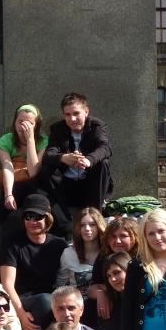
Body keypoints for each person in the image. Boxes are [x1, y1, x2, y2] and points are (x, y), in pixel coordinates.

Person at [0, 103, 48, 245]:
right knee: (14, 192)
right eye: (20, 121)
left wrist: (30, 139)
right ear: (14, 122)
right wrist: (8, 194)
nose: (23, 126)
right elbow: (7, 167)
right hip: (16, 181)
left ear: (36, 125)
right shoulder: (6, 140)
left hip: (37, 184)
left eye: (29, 123)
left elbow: (33, 171)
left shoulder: (43, 141)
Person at [37, 92, 112, 228]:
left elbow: (105, 148)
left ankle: (95, 216)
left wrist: (89, 160)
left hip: (89, 186)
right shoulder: (57, 129)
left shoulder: (97, 126)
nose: (72, 119)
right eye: (67, 115)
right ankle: (66, 223)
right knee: (47, 168)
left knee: (103, 163)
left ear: (86, 111)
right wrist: (63, 158)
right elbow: (48, 154)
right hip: (66, 187)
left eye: (76, 113)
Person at [0, 193, 67, 330]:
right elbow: (7, 283)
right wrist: (21, 315)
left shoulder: (59, 245)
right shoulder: (13, 244)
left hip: (53, 297)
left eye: (38, 217)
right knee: (45, 301)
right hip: (22, 299)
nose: (32, 221)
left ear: (47, 218)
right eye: (28, 217)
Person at [87, 215, 139, 323]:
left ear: (134, 238)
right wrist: (100, 293)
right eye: (113, 236)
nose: (117, 241)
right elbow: (92, 288)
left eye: (123, 236)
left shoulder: (140, 259)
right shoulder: (103, 257)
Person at [56, 207, 105, 296]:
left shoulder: (108, 251)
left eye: (92, 224)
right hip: (78, 304)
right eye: (82, 225)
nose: (87, 228)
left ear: (99, 226)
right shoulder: (68, 253)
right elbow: (60, 285)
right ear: (77, 228)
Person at [88, 251, 129, 330]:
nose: (113, 279)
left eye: (117, 273)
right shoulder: (109, 302)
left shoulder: (145, 300)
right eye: (109, 276)